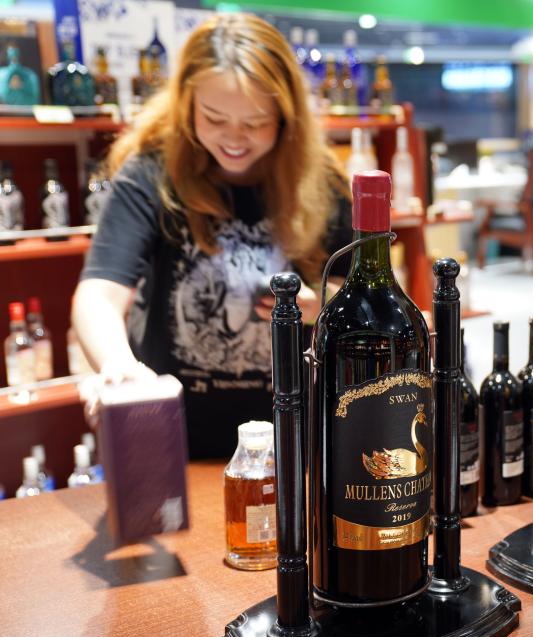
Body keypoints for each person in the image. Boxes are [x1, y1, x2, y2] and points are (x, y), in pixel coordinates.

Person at [72, 13, 353, 458]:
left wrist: (321, 305)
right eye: (214, 118)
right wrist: (119, 366)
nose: (234, 138)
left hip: (297, 443)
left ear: (286, 116)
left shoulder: (321, 183)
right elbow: (99, 294)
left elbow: (361, 297)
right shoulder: (151, 174)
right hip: (176, 441)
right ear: (187, 104)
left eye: (255, 122)